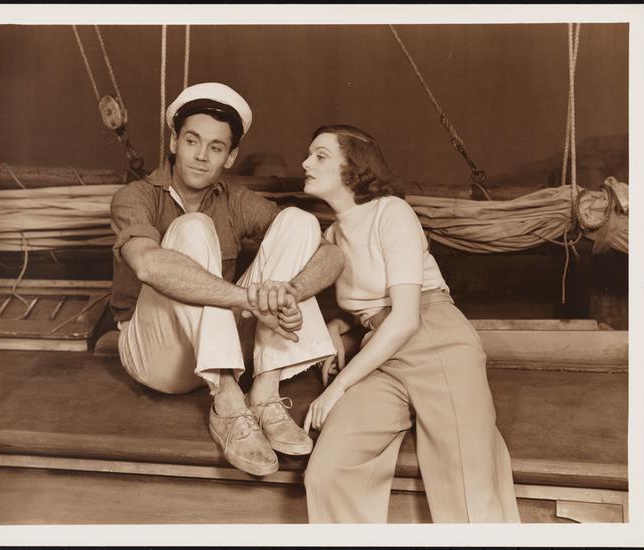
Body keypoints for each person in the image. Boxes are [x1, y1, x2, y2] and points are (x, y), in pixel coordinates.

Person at [109, 83, 342, 477]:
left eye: (216, 147)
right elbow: (148, 265)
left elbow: (331, 254)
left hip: (221, 346)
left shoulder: (234, 200)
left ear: (230, 155)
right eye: (192, 141)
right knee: (193, 227)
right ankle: (228, 402)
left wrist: (288, 295)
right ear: (174, 141)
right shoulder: (136, 196)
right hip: (156, 355)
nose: (201, 156)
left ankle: (264, 392)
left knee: (299, 221)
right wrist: (250, 300)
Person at [301, 125, 520, 523]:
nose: (305, 163)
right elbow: (373, 303)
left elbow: (405, 318)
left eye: (320, 155)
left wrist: (337, 388)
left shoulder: (391, 212)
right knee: (328, 472)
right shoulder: (331, 236)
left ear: (352, 166)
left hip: (436, 341)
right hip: (381, 351)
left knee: (468, 490)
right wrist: (340, 325)